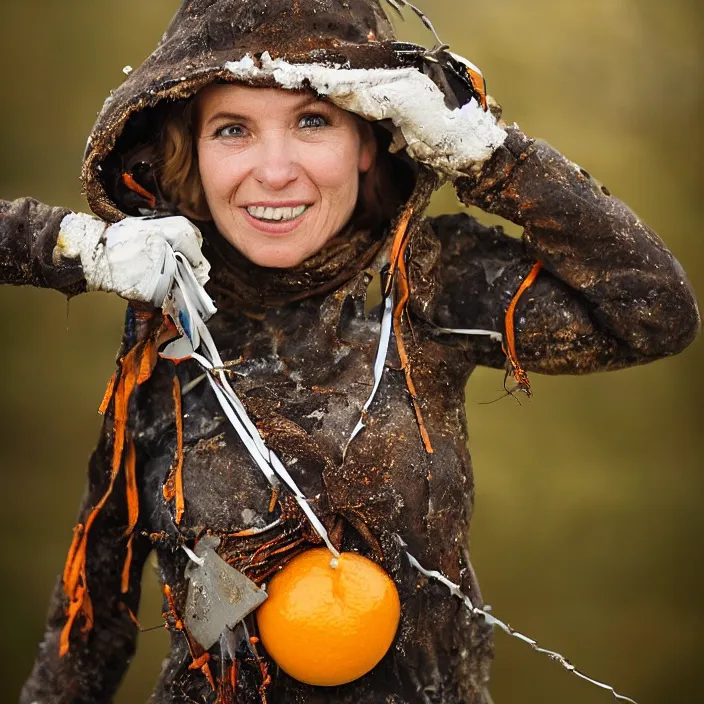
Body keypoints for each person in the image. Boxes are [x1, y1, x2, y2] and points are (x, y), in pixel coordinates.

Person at [2, 1, 698, 702]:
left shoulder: (427, 280)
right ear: (191, 151)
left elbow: (656, 315)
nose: (275, 172)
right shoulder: (165, 325)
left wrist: (491, 155)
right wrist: (64, 247)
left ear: (369, 140)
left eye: (312, 121)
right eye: (233, 129)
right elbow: (86, 632)